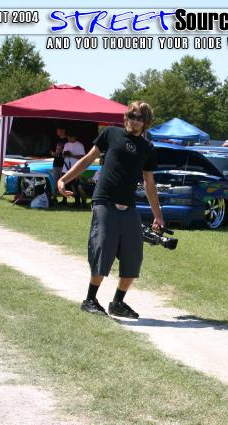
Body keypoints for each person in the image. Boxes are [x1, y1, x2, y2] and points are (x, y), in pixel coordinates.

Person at [57, 101, 164, 318]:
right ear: (126, 117)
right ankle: (90, 299)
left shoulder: (147, 148)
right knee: (103, 249)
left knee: (133, 256)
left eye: (139, 118)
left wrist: (158, 215)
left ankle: (117, 303)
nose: (134, 121)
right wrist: (64, 179)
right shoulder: (111, 134)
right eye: (132, 116)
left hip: (129, 207)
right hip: (104, 202)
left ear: (145, 123)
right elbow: (87, 159)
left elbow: (149, 183)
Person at [61, 131, 87, 207]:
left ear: (74, 137)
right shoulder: (66, 144)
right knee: (64, 184)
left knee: (75, 186)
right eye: (68, 137)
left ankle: (77, 201)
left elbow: (83, 157)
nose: (68, 139)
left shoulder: (80, 145)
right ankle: (64, 200)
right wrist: (65, 154)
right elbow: (63, 155)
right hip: (65, 167)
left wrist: (72, 155)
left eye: (70, 137)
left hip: (75, 168)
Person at [50, 127, 67, 204]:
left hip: (64, 164)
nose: (57, 132)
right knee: (55, 181)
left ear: (63, 131)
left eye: (59, 131)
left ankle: (64, 199)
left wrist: (63, 153)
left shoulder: (67, 140)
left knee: (63, 181)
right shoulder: (55, 140)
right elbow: (50, 150)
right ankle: (54, 198)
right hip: (56, 163)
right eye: (57, 131)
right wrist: (53, 153)